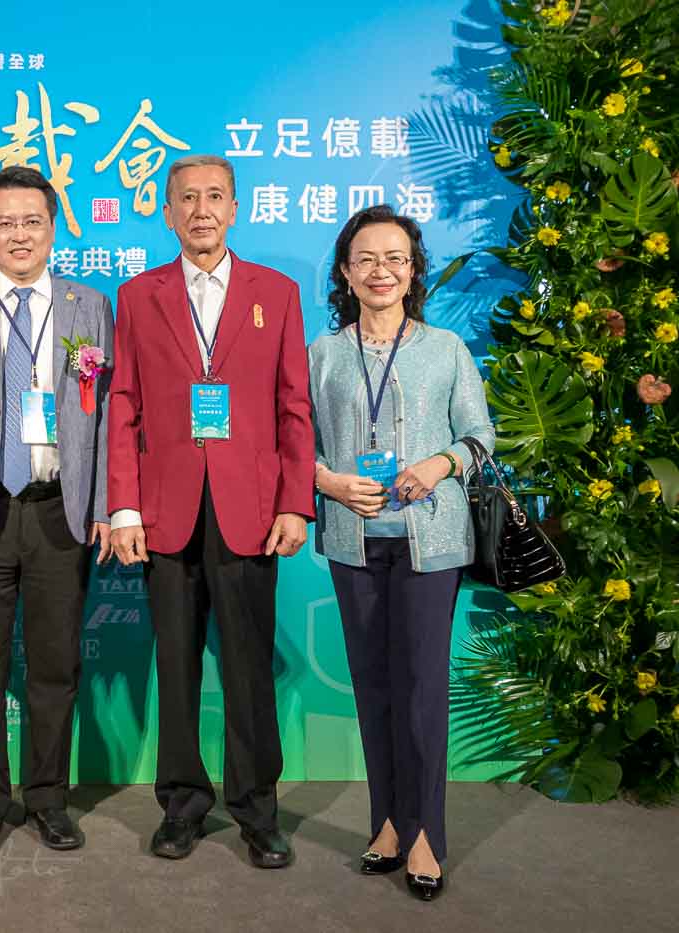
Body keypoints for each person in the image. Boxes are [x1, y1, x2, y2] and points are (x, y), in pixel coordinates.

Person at [107, 154, 314, 868]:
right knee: (176, 666)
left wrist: (295, 503)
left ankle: (257, 810)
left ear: (235, 209)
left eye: (215, 197)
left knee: (249, 669)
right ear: (167, 213)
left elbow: (293, 405)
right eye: (187, 198)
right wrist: (125, 508)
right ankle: (181, 805)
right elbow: (124, 403)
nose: (201, 210)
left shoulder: (276, 293)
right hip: (166, 511)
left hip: (250, 511)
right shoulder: (139, 296)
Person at [308, 205, 494, 901]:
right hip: (353, 540)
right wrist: (329, 482)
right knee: (373, 687)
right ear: (345, 273)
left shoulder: (446, 348)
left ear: (414, 271)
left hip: (431, 540)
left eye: (395, 258)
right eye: (366, 259)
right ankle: (386, 822)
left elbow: (481, 436)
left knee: (421, 690)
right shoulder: (323, 354)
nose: (380, 270)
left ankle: (425, 836)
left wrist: (439, 464)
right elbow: (296, 443)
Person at [0, 166, 113, 856]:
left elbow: (106, 414)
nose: (19, 234)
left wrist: (104, 506)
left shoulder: (89, 306)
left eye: (32, 221)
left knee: (55, 665)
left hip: (60, 510)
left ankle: (48, 799)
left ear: (53, 228)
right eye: (4, 222)